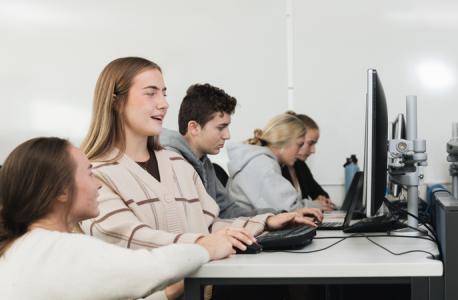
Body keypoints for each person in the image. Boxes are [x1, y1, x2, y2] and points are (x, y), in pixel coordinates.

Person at [78, 57, 315, 298]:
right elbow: (130, 239)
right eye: (151, 93)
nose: (164, 104)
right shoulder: (95, 173)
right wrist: (203, 244)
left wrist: (266, 223)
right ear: (116, 102)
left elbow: (211, 224)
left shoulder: (177, 165)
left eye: (164, 93)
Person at [0, 137, 234, 300]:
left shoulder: (23, 248)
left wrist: (170, 293)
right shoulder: (59, 250)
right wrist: (207, 246)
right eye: (90, 173)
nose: (98, 183)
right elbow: (153, 267)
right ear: (61, 190)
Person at [160, 83, 322, 219]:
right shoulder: (170, 163)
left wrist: (275, 217)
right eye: (221, 127)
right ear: (194, 127)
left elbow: (228, 211)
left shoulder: (204, 163)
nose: (227, 135)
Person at [227, 112, 317, 212]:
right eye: (299, 144)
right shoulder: (263, 165)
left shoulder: (263, 161)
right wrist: (317, 206)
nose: (299, 151)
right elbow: (290, 209)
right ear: (285, 142)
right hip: (246, 225)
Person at [281, 112, 336, 211]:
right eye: (310, 143)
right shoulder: (274, 167)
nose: (313, 150)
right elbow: (285, 207)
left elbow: (320, 194)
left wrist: (322, 200)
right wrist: (315, 205)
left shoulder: (300, 165)